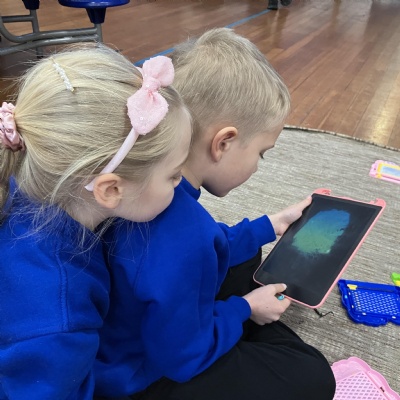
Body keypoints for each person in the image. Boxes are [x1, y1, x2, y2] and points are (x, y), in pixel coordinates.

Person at [95, 28, 336, 400]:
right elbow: (182, 358)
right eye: (261, 153)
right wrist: (244, 310)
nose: (258, 164)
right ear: (223, 142)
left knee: (245, 253)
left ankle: (236, 323)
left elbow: (206, 244)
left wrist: (270, 225)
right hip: (144, 378)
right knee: (312, 374)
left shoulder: (146, 188)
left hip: (130, 335)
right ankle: (242, 327)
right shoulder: (185, 234)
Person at [0, 44, 191, 400]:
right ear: (110, 189)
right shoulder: (60, 320)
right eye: (174, 175)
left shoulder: (28, 176)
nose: (181, 186)